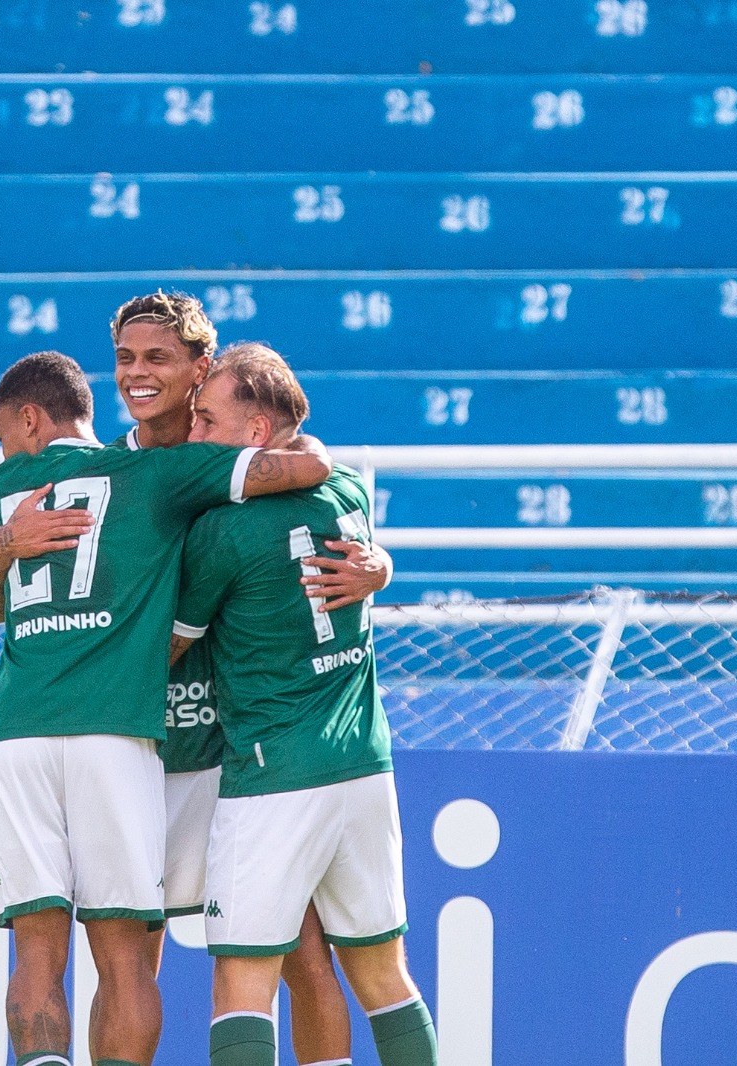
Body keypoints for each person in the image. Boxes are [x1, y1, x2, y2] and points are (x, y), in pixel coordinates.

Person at [0, 290, 386, 1064]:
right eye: (126, 361)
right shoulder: (113, 469)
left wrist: (379, 564)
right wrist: (7, 542)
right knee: (130, 955)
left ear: (201, 368)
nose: (137, 377)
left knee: (299, 954)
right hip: (144, 741)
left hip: (235, 747)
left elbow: (329, 492)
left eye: (158, 360)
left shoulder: (252, 454)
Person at [170, 346, 437, 1066]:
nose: (193, 433)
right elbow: (319, 466)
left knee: (242, 980)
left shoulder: (221, 532)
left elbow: (170, 644)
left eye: (207, 418)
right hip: (363, 764)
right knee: (384, 974)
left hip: (274, 775)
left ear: (256, 434)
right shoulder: (348, 491)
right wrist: (382, 567)